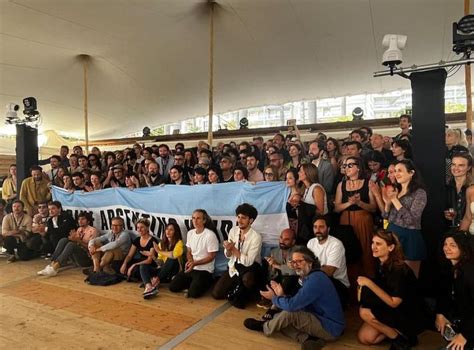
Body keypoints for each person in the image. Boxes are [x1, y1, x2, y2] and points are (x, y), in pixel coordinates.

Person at [244, 246, 345, 349]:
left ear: (310, 262)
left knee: (288, 315)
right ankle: (308, 339)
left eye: (299, 261)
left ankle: (264, 327)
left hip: (330, 328)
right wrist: (282, 295)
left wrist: (274, 298)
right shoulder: (309, 276)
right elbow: (298, 301)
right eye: (293, 262)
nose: (295, 265)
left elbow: (292, 306)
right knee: (279, 319)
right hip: (317, 317)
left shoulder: (316, 279)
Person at [357, 230, 423, 349]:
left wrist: (369, 283)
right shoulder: (381, 263)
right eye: (373, 243)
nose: (374, 247)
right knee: (365, 338)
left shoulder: (399, 269)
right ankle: (399, 334)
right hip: (390, 308)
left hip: (405, 312)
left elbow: (394, 302)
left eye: (378, 244)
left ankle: (399, 339)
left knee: (365, 312)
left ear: (391, 247)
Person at [379, 160, 427, 278]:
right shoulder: (396, 190)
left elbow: (412, 220)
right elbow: (386, 217)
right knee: (392, 277)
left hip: (409, 237)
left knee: (409, 279)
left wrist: (395, 200)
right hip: (392, 236)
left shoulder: (419, 193)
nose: (396, 174)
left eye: (399, 170)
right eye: (395, 171)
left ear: (411, 173)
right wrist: (387, 204)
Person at [212, 203, 262, 308]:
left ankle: (248, 291)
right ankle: (236, 287)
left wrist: (234, 249)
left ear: (251, 220)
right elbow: (229, 255)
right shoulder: (233, 231)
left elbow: (248, 262)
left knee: (247, 281)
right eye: (238, 217)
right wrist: (229, 249)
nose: (239, 220)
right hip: (234, 266)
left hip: (251, 267)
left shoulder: (256, 237)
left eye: (243, 218)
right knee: (216, 294)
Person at [335, 156, 377, 279]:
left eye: (350, 165)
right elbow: (336, 208)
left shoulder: (368, 183)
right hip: (345, 221)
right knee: (348, 250)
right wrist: (349, 203)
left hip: (363, 219)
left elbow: (374, 208)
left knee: (365, 250)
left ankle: (368, 279)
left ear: (358, 168)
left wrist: (360, 203)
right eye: (345, 166)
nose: (346, 168)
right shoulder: (341, 185)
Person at [435, 232, 474, 350]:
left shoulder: (469, 272)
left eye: (453, 245)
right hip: (461, 320)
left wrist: (465, 335)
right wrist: (440, 314)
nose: (447, 248)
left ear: (463, 248)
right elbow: (443, 295)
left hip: (471, 325)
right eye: (445, 244)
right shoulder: (449, 268)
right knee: (441, 324)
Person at [169, 209, 219, 298]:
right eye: (193, 218)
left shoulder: (210, 235)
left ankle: (208, 281)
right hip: (192, 267)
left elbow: (211, 256)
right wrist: (190, 261)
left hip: (205, 270)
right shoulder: (190, 233)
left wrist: (195, 263)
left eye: (198, 218)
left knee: (194, 294)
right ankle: (192, 283)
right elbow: (189, 251)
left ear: (204, 220)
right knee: (172, 287)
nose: (195, 221)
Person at [37, 212, 98, 276]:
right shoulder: (79, 229)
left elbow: (90, 249)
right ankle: (52, 264)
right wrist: (72, 239)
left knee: (71, 245)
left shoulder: (93, 231)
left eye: (83, 219)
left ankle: (55, 268)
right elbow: (76, 242)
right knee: (64, 240)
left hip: (87, 258)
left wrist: (77, 240)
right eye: (79, 219)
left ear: (88, 221)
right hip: (77, 257)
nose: (80, 221)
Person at [307, 216, 349, 307]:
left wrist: (307, 269)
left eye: (321, 227)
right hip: (316, 279)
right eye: (315, 227)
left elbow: (329, 272)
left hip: (337, 284)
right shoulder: (311, 242)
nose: (318, 230)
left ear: (328, 229)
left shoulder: (336, 244)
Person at [257, 228, 299, 309]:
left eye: (286, 239)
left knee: (288, 278)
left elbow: (295, 271)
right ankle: (269, 298)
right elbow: (271, 275)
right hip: (278, 278)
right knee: (261, 271)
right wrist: (271, 266)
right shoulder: (274, 251)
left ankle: (275, 301)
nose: (282, 241)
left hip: (292, 280)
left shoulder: (298, 251)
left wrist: (277, 266)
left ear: (293, 242)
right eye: (281, 237)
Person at [140, 222, 184, 297]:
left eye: (171, 230)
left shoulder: (179, 243)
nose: (168, 232)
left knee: (172, 259)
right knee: (143, 266)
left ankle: (154, 282)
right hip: (163, 272)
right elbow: (160, 264)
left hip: (173, 272)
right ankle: (149, 287)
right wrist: (153, 256)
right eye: (167, 229)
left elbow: (174, 255)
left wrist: (159, 251)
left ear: (175, 232)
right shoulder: (162, 244)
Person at [120, 218, 158, 297]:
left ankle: (148, 285)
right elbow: (130, 255)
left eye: (142, 227)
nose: (139, 229)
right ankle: (145, 279)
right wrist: (124, 263)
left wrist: (134, 265)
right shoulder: (137, 240)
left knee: (138, 268)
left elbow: (149, 260)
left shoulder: (153, 241)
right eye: (138, 228)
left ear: (147, 228)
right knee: (119, 264)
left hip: (149, 264)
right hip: (140, 261)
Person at [297, 163, 328, 244]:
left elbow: (320, 211)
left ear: (307, 173)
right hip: (308, 225)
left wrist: (303, 207)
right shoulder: (306, 188)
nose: (298, 173)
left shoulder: (316, 188)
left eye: (300, 171)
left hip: (317, 227)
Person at [445, 153, 472, 229]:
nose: (456, 168)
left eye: (461, 165)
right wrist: (445, 214)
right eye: (453, 164)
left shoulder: (471, 188)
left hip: (469, 231)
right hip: (450, 230)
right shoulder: (446, 186)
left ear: (469, 167)